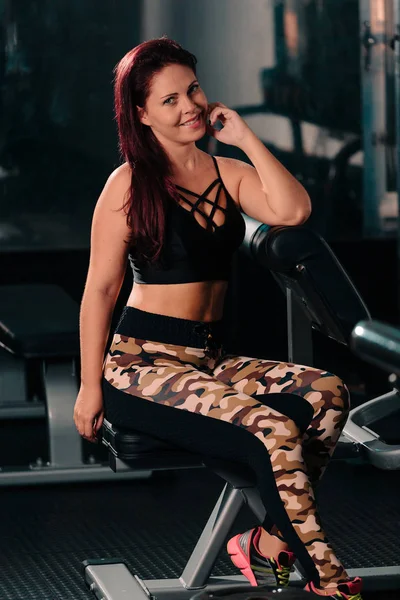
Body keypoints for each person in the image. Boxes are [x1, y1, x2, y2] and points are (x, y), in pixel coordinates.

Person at [73, 37, 362, 600]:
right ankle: (328, 581)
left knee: (328, 392)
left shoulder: (227, 172)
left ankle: (268, 542)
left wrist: (246, 137)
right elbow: (100, 290)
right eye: (169, 100)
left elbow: (293, 210)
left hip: (208, 358)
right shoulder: (127, 185)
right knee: (273, 428)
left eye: (193, 90)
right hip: (141, 365)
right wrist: (88, 386)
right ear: (141, 114)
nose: (189, 107)